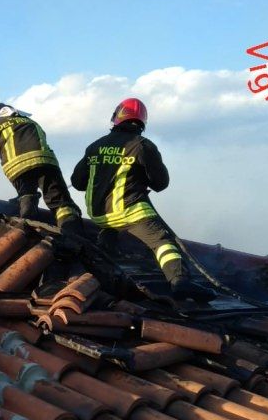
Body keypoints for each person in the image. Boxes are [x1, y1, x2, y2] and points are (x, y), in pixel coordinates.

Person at [71, 97, 199, 299]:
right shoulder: (143, 146)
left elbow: (77, 182)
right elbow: (161, 184)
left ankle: (105, 257)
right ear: (142, 123)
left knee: (110, 229)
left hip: (99, 216)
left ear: (116, 118)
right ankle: (179, 282)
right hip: (130, 213)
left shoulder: (95, 146)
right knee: (162, 242)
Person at [0, 104, 82, 235]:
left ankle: (26, 233)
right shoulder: (30, 121)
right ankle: (75, 237)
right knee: (62, 205)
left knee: (27, 195)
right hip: (46, 163)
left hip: (18, 167)